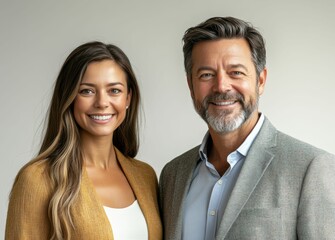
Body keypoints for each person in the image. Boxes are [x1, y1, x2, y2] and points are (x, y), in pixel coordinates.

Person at [159, 16, 335, 240]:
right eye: (206, 75)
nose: (221, 86)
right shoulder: (172, 174)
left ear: (260, 81)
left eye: (236, 72)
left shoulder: (312, 167)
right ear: (191, 86)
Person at [5, 41, 162, 240]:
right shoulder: (37, 180)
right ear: (69, 97)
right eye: (87, 91)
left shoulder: (146, 176)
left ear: (128, 98)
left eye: (114, 90)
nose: (102, 103)